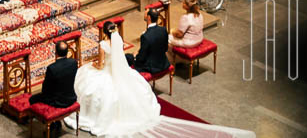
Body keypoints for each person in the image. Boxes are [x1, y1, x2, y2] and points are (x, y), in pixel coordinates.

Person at [64, 21, 257, 138]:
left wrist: (92, 66)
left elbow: (100, 63)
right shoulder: (118, 40)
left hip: (108, 70)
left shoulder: (103, 44)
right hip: (120, 70)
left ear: (104, 33)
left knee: (87, 80)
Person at [30, 41, 77, 137]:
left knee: (32, 99)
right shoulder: (73, 63)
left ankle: (52, 123)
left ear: (56, 52)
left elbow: (46, 90)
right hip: (71, 97)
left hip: (58, 101)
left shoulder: (52, 68)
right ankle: (56, 122)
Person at [126, 7, 171, 76]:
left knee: (127, 57)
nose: (144, 13)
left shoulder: (145, 36)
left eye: (145, 13)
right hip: (163, 63)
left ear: (149, 17)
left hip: (151, 67)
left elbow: (141, 58)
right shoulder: (163, 30)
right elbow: (165, 48)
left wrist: (135, 56)